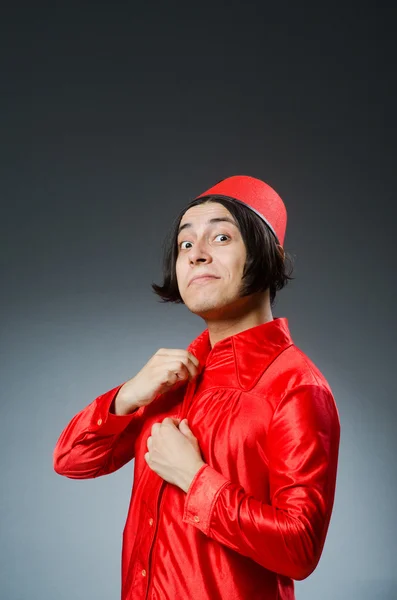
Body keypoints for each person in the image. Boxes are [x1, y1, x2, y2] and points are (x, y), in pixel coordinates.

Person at [53, 175, 341, 600]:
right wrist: (127, 395)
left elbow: (299, 550)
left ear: (270, 256)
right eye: (185, 245)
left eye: (220, 237)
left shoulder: (297, 387)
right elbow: (72, 460)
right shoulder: (168, 381)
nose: (196, 256)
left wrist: (195, 478)